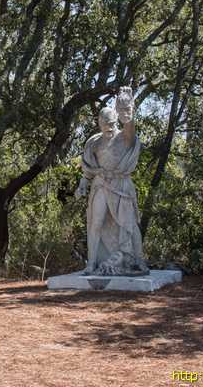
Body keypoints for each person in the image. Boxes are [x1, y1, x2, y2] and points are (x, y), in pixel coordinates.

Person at [74, 87, 148, 276]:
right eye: (105, 124)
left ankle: (139, 260)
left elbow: (129, 127)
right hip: (100, 185)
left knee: (130, 225)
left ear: (116, 122)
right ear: (99, 123)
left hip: (122, 185)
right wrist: (83, 184)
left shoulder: (124, 138)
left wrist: (126, 110)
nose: (109, 127)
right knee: (95, 223)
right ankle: (91, 263)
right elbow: (87, 171)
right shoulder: (94, 142)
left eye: (112, 124)